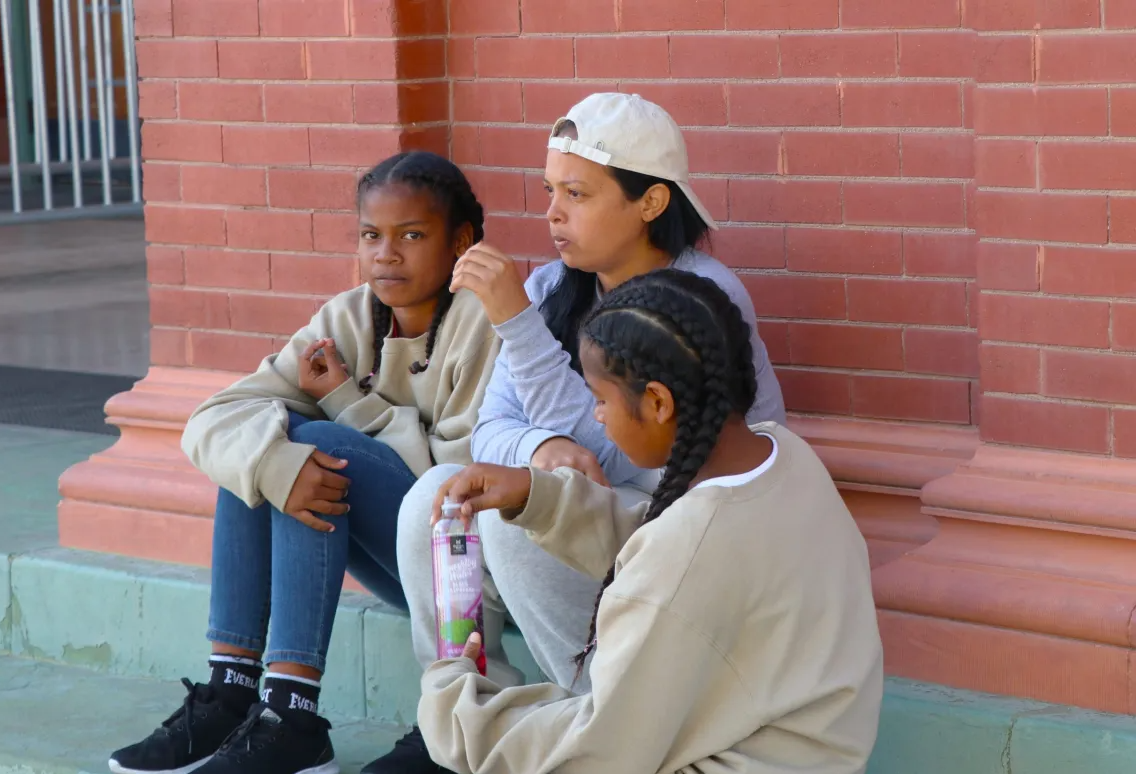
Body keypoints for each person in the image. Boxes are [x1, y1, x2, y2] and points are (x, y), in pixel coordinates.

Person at [368, 92, 787, 772]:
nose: (553, 212)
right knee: (440, 497)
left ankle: (597, 720)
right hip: (606, 526)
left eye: (578, 193)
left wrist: (516, 326)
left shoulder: (702, 294)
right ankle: (473, 720)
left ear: (650, 203)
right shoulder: (552, 286)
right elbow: (489, 432)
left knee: (519, 510)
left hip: (690, 543)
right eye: (549, 191)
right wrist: (541, 445)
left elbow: (633, 457)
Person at [106, 151, 500, 774]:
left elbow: (454, 486)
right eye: (371, 235)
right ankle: (233, 689)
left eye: (412, 236)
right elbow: (216, 416)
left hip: (464, 573)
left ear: (461, 241)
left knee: (320, 446)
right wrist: (271, 463)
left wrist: (346, 402)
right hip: (399, 553)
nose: (386, 254)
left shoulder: (484, 323)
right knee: (265, 444)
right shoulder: (347, 316)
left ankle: (291, 713)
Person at [418, 269, 883, 773]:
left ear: (659, 402)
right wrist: (540, 496)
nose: (596, 418)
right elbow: (671, 547)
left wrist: (454, 702)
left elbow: (597, 756)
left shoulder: (685, 556)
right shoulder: (783, 456)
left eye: (600, 400)